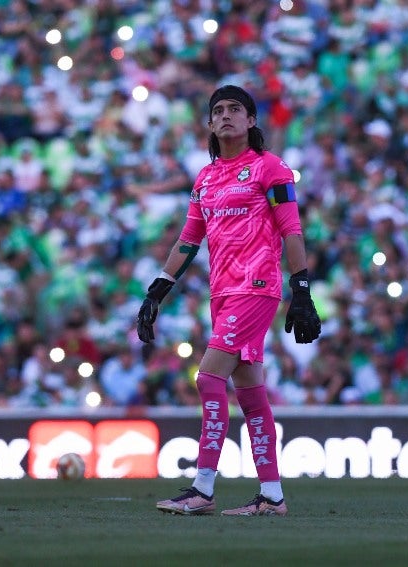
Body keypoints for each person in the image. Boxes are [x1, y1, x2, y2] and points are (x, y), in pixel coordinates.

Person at [136, 85, 321, 516]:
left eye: (235, 109)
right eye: (217, 110)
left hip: (256, 288)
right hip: (222, 293)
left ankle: (202, 488)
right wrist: (157, 290)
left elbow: (291, 230)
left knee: (207, 378)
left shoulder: (271, 169)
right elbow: (188, 240)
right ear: (209, 124)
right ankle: (272, 495)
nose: (225, 116)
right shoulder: (205, 179)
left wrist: (302, 289)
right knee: (251, 392)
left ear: (251, 121)